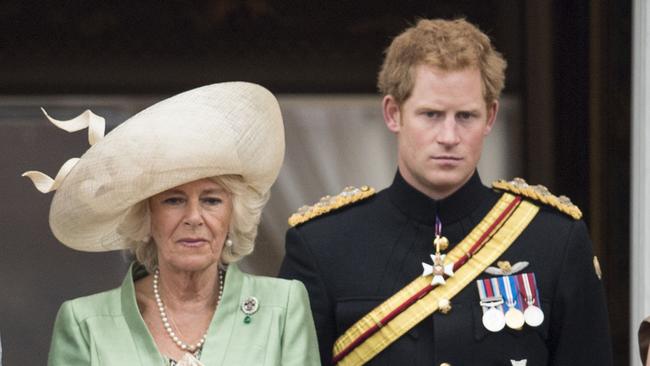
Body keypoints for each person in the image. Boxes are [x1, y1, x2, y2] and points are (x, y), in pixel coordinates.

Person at [279, 18, 613, 365]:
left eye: (466, 116)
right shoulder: (323, 245)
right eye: (432, 115)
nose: (449, 136)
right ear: (393, 114)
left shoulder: (554, 240)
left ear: (490, 117)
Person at [23, 82, 319, 366]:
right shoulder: (84, 322)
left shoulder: (283, 306)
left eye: (211, 200)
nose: (193, 217)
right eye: (173, 201)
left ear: (233, 215)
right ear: (146, 216)